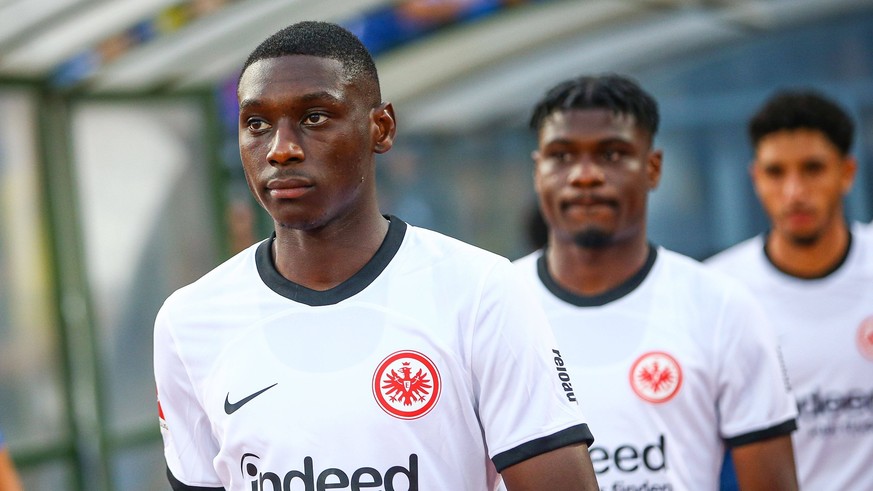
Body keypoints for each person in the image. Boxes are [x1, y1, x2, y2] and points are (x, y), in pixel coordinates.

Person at [154, 21, 599, 491]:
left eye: (315, 117)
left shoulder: (480, 289)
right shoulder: (189, 321)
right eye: (257, 124)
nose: (281, 149)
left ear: (380, 128)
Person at [513, 74, 800, 490]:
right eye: (562, 155)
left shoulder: (721, 306)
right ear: (538, 171)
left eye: (612, 154)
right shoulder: (494, 303)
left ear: (653, 168)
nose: (585, 175)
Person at [706, 90, 873, 490]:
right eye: (776, 172)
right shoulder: (718, 292)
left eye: (813, 168)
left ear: (847, 173)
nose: (794, 191)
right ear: (755, 178)